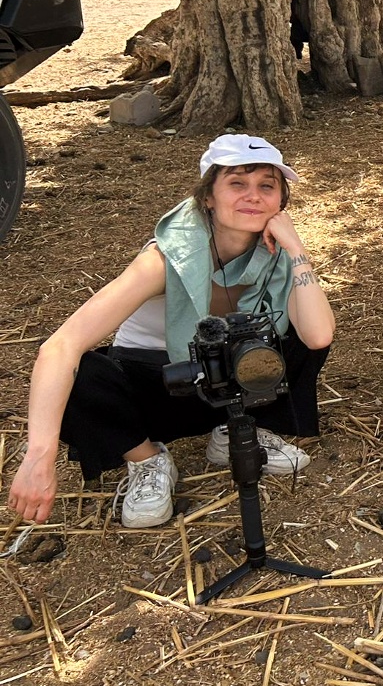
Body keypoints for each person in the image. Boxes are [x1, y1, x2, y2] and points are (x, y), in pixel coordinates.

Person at [6, 136, 334, 530]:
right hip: (159, 381)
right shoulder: (165, 258)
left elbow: (317, 337)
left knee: (299, 322)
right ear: (208, 197)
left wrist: (296, 249)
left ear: (281, 201)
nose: (253, 196)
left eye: (267, 185)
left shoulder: (275, 254)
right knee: (84, 374)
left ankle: (233, 431)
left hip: (226, 380)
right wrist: (38, 455)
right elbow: (60, 346)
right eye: (236, 183)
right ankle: (147, 460)